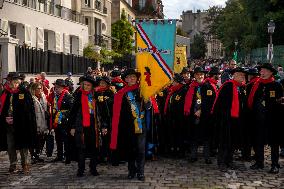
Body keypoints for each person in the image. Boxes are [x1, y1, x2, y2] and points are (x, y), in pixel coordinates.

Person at [110, 69, 146, 181]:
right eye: (129, 77)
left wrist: (148, 101)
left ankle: (141, 172)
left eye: (133, 77)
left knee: (140, 149)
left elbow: (149, 107)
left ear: (137, 79)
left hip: (140, 125)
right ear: (125, 79)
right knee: (130, 149)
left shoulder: (143, 91)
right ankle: (131, 170)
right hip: (127, 126)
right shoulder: (121, 93)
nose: (131, 79)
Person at [248, 63, 283, 174]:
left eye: (264, 71)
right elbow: (252, 101)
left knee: (274, 143)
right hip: (258, 119)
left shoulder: (277, 85)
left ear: (271, 72)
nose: (262, 73)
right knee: (258, 141)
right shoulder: (257, 84)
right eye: (261, 71)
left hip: (273, 120)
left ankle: (274, 165)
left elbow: (280, 103)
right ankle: (259, 162)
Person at [0, 72, 37, 174]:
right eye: (7, 80)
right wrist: (4, 118)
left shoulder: (24, 92)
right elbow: (2, 108)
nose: (7, 82)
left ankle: (25, 164)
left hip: (21, 125)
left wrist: (15, 118)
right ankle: (13, 164)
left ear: (15, 81)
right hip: (8, 125)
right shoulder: (5, 92)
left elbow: (28, 110)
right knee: (10, 145)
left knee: (22, 145)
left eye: (9, 80)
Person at [212, 67, 247, 171]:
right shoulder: (227, 85)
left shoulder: (241, 88)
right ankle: (221, 162)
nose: (242, 77)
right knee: (224, 141)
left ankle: (229, 161)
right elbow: (219, 103)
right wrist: (221, 118)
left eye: (243, 75)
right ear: (234, 75)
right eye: (240, 75)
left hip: (237, 120)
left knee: (233, 141)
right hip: (226, 119)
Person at [69, 75, 99, 177]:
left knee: (94, 147)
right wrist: (72, 126)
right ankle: (81, 169)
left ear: (92, 86)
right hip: (81, 125)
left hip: (93, 124)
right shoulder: (78, 95)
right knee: (81, 148)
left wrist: (103, 125)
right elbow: (73, 112)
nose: (86, 86)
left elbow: (101, 112)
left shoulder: (96, 95)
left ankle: (93, 168)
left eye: (88, 85)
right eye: (84, 84)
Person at [184, 67, 208, 163]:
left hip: (205, 116)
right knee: (194, 137)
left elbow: (210, 102)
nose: (200, 76)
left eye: (201, 74)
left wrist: (202, 110)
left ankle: (207, 157)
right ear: (194, 76)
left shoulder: (208, 86)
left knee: (206, 137)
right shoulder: (191, 87)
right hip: (193, 116)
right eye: (198, 74)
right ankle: (193, 155)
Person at [199, 66, 221, 163]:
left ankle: (211, 152)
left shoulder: (215, 85)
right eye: (218, 75)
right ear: (214, 75)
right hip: (207, 115)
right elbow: (204, 101)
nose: (219, 76)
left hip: (213, 115)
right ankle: (206, 156)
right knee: (207, 136)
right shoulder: (206, 85)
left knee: (212, 135)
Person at [49, 79, 73, 163]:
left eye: (58, 87)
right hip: (56, 120)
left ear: (63, 88)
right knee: (58, 139)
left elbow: (72, 110)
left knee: (65, 139)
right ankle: (59, 155)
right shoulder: (55, 96)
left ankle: (67, 156)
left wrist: (63, 115)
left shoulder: (68, 96)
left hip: (64, 121)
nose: (56, 89)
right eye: (55, 87)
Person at [163, 74, 187, 157]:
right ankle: (175, 149)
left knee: (179, 134)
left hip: (179, 117)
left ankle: (181, 151)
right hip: (172, 117)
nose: (171, 82)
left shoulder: (183, 90)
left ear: (177, 82)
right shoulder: (173, 90)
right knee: (174, 134)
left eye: (173, 80)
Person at [94, 76, 115, 163]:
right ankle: (101, 155)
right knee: (100, 138)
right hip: (98, 117)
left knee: (107, 137)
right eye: (101, 83)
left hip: (108, 118)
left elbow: (112, 105)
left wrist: (106, 101)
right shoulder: (97, 92)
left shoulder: (110, 92)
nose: (102, 84)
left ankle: (109, 155)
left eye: (103, 83)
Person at [29, 82, 49, 164]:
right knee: (34, 140)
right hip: (35, 122)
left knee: (41, 139)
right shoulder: (31, 98)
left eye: (41, 88)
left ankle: (37, 154)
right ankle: (33, 156)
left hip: (43, 121)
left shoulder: (43, 97)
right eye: (38, 88)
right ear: (34, 90)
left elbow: (45, 108)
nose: (40, 90)